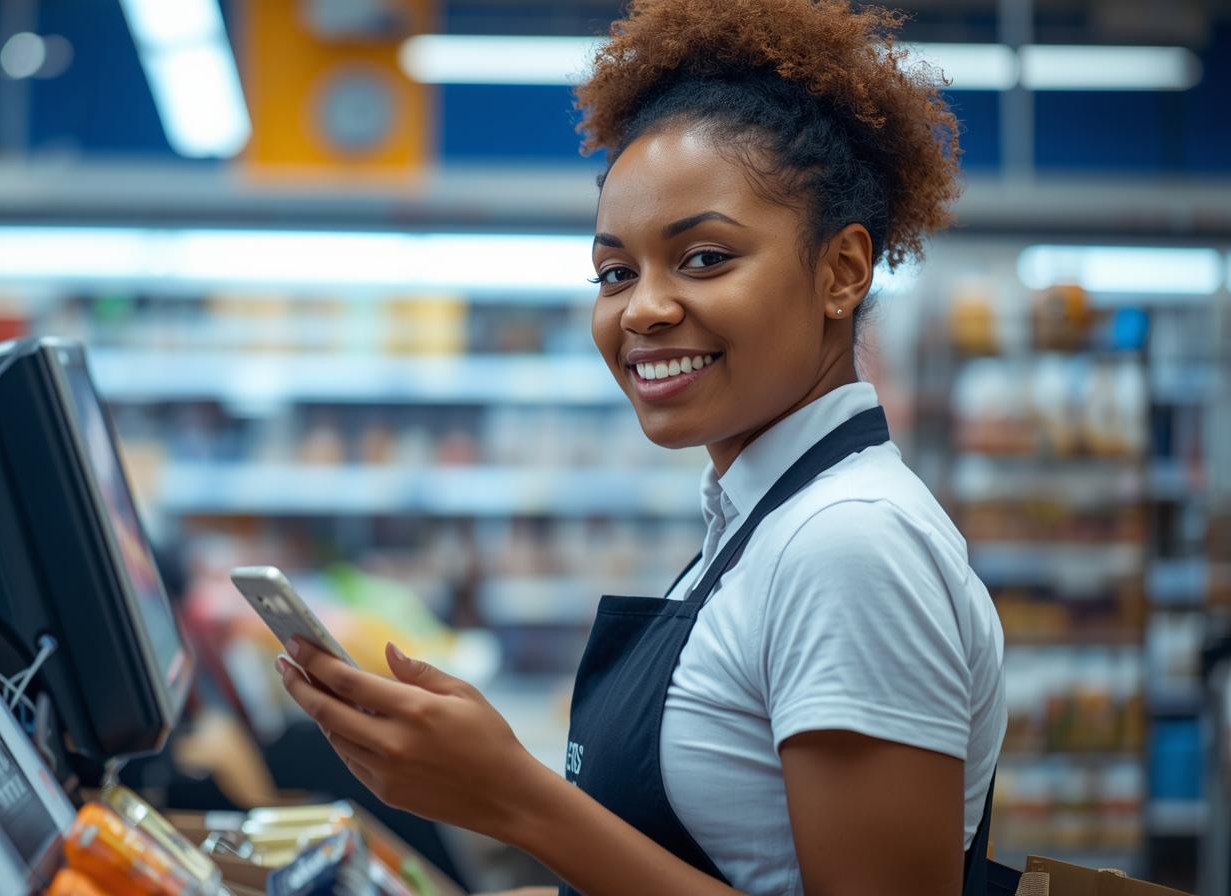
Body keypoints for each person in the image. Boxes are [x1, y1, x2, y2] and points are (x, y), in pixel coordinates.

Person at [276, 1, 1007, 893]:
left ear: (842, 271)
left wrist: (514, 798)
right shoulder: (756, 529)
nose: (643, 309)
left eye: (703, 258)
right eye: (615, 273)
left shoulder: (849, 545)